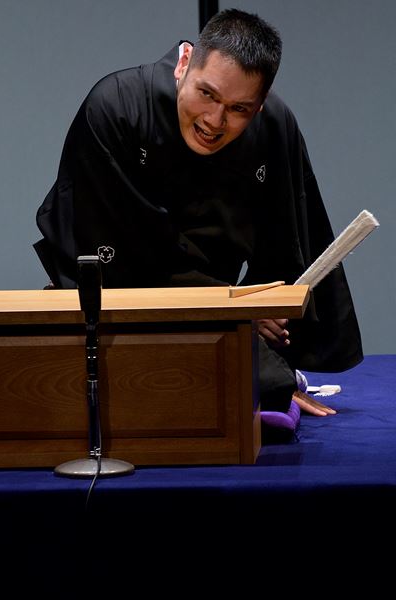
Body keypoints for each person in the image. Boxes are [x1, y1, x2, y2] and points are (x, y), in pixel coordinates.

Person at [34, 8, 363, 417]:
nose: (214, 121)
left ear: (260, 105)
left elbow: (288, 239)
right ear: (184, 62)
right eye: (207, 94)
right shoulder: (116, 107)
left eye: (239, 109)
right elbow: (117, 254)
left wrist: (264, 313)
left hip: (221, 308)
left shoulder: (274, 125)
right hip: (121, 301)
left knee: (264, 392)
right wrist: (236, 315)